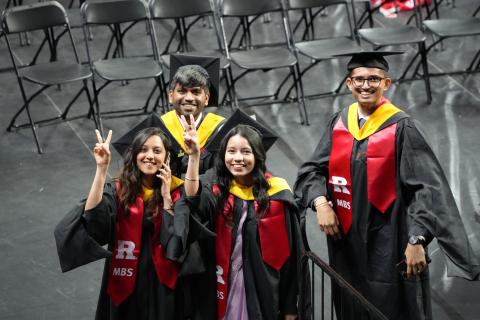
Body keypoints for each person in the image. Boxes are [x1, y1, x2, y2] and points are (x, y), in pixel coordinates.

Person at [294, 52, 479, 320]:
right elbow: (312, 169)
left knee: (392, 308)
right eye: (359, 79)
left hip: (390, 239)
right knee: (351, 304)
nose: (365, 85)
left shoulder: (402, 127)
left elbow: (427, 189)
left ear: (386, 84)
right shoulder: (340, 122)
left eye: (373, 79)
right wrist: (320, 202)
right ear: (348, 84)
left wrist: (417, 239)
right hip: (345, 241)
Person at [180, 114, 305, 320]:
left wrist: (291, 306)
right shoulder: (215, 184)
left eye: (246, 152)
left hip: (260, 285)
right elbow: (193, 197)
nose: (238, 158)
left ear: (258, 156)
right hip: (220, 281)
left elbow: (291, 257)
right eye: (231, 151)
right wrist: (194, 157)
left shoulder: (278, 195)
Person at [54, 128, 186, 320]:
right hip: (126, 276)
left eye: (157, 151)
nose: (149, 156)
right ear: (134, 155)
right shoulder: (119, 190)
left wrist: (166, 196)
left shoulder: (176, 192)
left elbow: (178, 236)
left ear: (167, 157)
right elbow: (94, 220)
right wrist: (101, 170)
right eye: (143, 150)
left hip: (163, 279)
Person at [162, 64, 225, 177]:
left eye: (196, 92)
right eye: (182, 91)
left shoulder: (221, 129)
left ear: (206, 99)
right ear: (171, 96)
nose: (189, 98)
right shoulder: (161, 127)